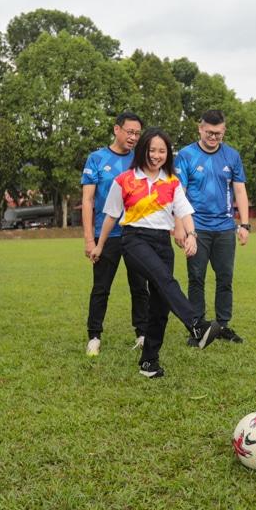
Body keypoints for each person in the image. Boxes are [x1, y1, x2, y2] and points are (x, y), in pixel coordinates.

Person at [92, 128, 224, 378]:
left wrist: (191, 235)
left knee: (160, 305)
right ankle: (196, 325)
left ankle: (149, 363)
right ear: (143, 150)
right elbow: (110, 216)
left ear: (167, 154)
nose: (156, 155)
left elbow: (185, 212)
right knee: (165, 280)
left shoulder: (172, 182)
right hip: (134, 239)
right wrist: (99, 245)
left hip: (163, 243)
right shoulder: (124, 180)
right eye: (151, 150)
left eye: (162, 151)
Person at [174, 109, 251, 343]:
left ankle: (222, 325)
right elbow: (179, 193)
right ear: (200, 129)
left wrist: (245, 224)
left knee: (225, 278)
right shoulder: (185, 155)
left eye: (218, 133)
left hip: (225, 228)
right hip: (196, 228)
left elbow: (240, 190)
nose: (213, 137)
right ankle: (198, 327)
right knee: (196, 278)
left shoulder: (232, 156)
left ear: (224, 131)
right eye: (209, 132)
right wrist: (179, 227)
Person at [81, 112, 149, 356]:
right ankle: (94, 336)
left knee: (140, 286)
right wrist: (90, 239)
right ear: (116, 129)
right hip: (106, 235)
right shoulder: (97, 159)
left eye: (137, 133)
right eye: (130, 132)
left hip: (136, 234)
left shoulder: (140, 160)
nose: (133, 137)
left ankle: (142, 334)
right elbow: (87, 200)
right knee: (101, 287)